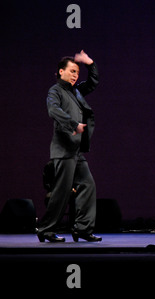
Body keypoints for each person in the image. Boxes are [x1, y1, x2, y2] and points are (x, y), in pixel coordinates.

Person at [37, 51, 102, 242]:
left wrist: (90, 63)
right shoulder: (55, 91)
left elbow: (93, 82)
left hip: (76, 151)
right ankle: (45, 230)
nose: (75, 75)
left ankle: (82, 228)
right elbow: (53, 110)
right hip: (64, 150)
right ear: (61, 72)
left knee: (88, 185)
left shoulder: (75, 92)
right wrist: (73, 124)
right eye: (72, 71)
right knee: (62, 192)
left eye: (77, 73)